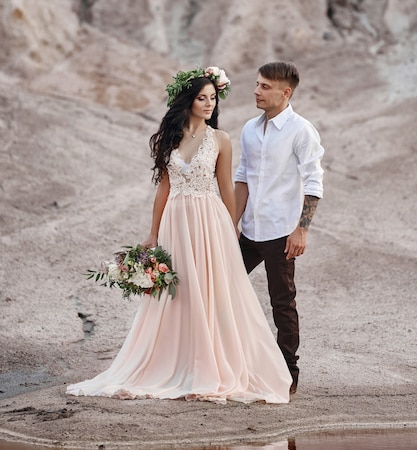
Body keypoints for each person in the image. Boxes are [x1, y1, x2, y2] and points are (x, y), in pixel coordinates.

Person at [67, 66, 292, 403]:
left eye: (213, 99)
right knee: (180, 291)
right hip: (176, 220)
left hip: (209, 220)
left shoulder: (221, 140)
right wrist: (152, 234)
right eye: (202, 98)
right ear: (187, 101)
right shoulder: (171, 138)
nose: (209, 104)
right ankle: (176, 360)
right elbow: (163, 189)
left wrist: (231, 230)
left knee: (211, 291)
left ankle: (213, 364)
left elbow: (226, 188)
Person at [234, 61, 324, 395]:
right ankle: (229, 360)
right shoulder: (249, 129)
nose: (256, 91)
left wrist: (302, 229)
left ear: (285, 93)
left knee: (282, 303)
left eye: (265, 87)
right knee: (221, 287)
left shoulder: (301, 130)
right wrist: (232, 224)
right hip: (247, 232)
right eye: (257, 85)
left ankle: (288, 374)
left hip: (279, 234)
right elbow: (242, 177)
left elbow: (314, 180)